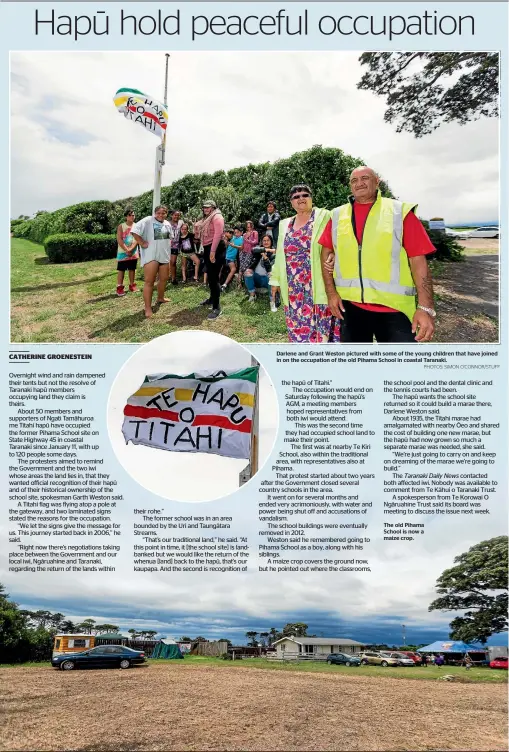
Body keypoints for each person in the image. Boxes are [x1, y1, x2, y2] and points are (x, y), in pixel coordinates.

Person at [320, 165, 436, 343]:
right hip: (350, 308)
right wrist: (331, 293)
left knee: (399, 368)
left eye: (365, 178)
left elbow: (418, 261)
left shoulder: (399, 212)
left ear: (377, 181)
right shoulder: (337, 215)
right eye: (354, 180)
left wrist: (425, 307)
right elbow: (326, 252)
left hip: (395, 310)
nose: (359, 183)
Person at [269, 185, 339, 343]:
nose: (301, 198)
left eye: (305, 195)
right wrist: (275, 280)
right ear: (291, 202)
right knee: (298, 331)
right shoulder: (284, 224)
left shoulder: (325, 216)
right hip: (293, 288)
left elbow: (338, 239)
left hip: (318, 284)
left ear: (311, 198)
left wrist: (335, 253)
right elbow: (280, 254)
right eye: (296, 196)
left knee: (323, 333)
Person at [131, 205, 172, 318]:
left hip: (164, 256)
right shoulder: (148, 220)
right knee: (149, 282)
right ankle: (148, 308)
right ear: (155, 213)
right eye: (158, 213)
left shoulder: (167, 224)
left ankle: (160, 298)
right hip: (151, 256)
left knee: (164, 279)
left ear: (166, 214)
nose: (161, 215)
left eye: (163, 213)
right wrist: (142, 242)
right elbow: (134, 231)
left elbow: (169, 239)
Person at [199, 200, 225, 320]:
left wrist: (213, 251)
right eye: (204, 207)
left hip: (216, 248)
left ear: (213, 207)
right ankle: (212, 299)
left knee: (214, 278)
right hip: (208, 247)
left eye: (208, 207)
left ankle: (217, 307)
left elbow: (218, 235)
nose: (205, 209)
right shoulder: (208, 218)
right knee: (210, 275)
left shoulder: (217, 217)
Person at [244, 234, 277, 311]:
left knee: (271, 275)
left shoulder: (274, 255)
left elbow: (270, 269)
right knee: (247, 272)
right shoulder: (258, 250)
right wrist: (265, 250)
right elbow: (253, 250)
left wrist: (265, 258)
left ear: (271, 242)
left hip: (267, 280)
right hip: (257, 278)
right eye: (264, 240)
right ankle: (252, 295)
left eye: (268, 240)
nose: (266, 242)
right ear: (261, 242)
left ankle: (272, 301)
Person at [116, 208, 139, 296]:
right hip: (123, 252)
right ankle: (119, 287)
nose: (132, 217)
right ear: (126, 216)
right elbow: (119, 239)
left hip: (133, 252)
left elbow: (137, 238)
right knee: (121, 269)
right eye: (130, 215)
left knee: (132, 269)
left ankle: (132, 285)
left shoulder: (137, 226)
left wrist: (131, 249)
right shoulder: (121, 226)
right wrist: (126, 249)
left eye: (133, 215)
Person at [222, 227, 243, 291]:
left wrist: (234, 246)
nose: (236, 234)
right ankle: (224, 285)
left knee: (233, 269)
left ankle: (224, 284)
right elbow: (226, 234)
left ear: (241, 232)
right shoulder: (232, 238)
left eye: (237, 233)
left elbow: (241, 247)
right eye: (235, 233)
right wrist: (225, 238)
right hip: (229, 257)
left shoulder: (242, 238)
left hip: (233, 258)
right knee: (233, 269)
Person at [169, 210, 183, 285]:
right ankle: (163, 277)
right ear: (172, 215)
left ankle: (173, 279)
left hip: (176, 245)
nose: (176, 217)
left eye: (178, 215)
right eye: (175, 215)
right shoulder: (167, 223)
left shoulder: (181, 223)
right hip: (167, 245)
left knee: (173, 262)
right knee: (165, 262)